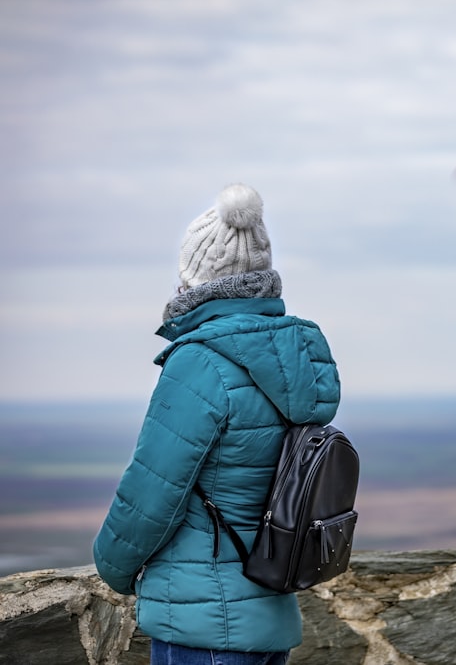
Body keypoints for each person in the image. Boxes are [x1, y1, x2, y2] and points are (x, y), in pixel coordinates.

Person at [93, 183, 341, 664]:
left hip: (202, 618)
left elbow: (152, 491)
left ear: (192, 278)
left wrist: (113, 568)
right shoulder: (295, 359)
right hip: (269, 599)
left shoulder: (202, 363)